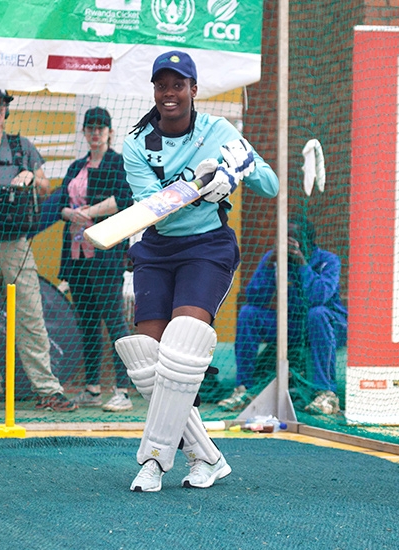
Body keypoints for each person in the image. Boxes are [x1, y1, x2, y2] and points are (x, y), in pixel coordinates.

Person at [113, 50, 279, 492]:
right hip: (157, 248)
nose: (170, 93)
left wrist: (238, 171)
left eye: (178, 85)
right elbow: (156, 209)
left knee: (183, 346)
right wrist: (201, 188)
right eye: (162, 85)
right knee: (149, 360)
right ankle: (205, 456)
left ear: (193, 89)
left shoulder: (219, 131)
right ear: (154, 91)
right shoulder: (137, 143)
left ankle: (153, 461)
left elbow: (271, 185)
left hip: (207, 248)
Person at [0, 88, 76, 412]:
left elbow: (46, 186)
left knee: (30, 316)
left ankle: (47, 389)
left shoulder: (22, 146)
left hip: (16, 243)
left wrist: (31, 177)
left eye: (1, 104)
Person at [218, 215, 348, 415]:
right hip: (293, 325)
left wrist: (302, 264)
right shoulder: (274, 258)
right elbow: (254, 297)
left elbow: (318, 296)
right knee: (248, 314)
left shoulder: (328, 261)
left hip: (328, 324)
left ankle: (326, 393)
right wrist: (270, 264)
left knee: (317, 313)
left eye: (294, 238)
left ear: (308, 241)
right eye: (285, 238)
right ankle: (244, 389)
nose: (289, 243)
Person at [56, 107, 135, 411]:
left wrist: (87, 213)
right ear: (84, 132)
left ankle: (123, 390)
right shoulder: (76, 166)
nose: (95, 132)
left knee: (114, 321)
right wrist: (70, 213)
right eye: (90, 127)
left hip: (106, 254)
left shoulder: (119, 163)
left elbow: (123, 200)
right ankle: (92, 388)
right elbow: (62, 202)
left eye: (101, 128)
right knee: (87, 321)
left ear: (110, 132)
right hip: (77, 256)